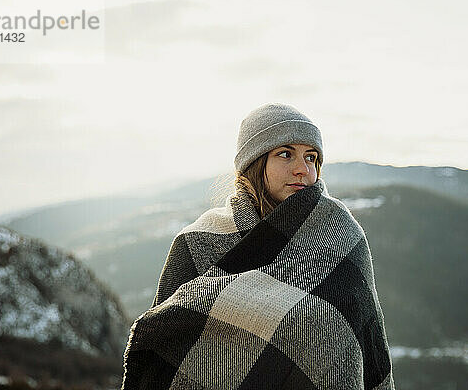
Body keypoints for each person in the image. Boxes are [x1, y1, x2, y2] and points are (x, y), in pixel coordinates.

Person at [122, 103, 395, 389]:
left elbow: (367, 345)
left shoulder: (342, 237)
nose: (303, 169)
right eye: (286, 154)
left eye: (312, 157)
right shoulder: (198, 242)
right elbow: (167, 341)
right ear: (255, 162)